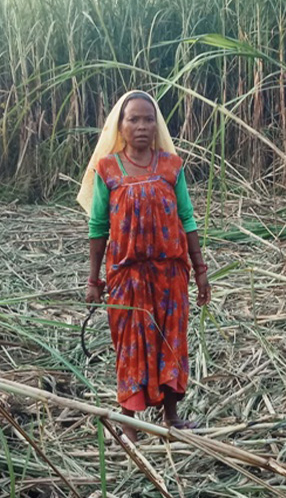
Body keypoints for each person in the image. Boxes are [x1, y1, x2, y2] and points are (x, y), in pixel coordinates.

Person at [77, 90, 211, 442]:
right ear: (119, 126)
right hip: (127, 277)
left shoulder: (171, 166)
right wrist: (94, 280)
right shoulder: (107, 169)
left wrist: (200, 271)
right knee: (131, 348)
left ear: (157, 125)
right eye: (133, 119)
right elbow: (97, 227)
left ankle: (171, 419)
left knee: (170, 344)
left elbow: (186, 217)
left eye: (148, 119)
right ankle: (130, 426)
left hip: (170, 275)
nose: (141, 126)